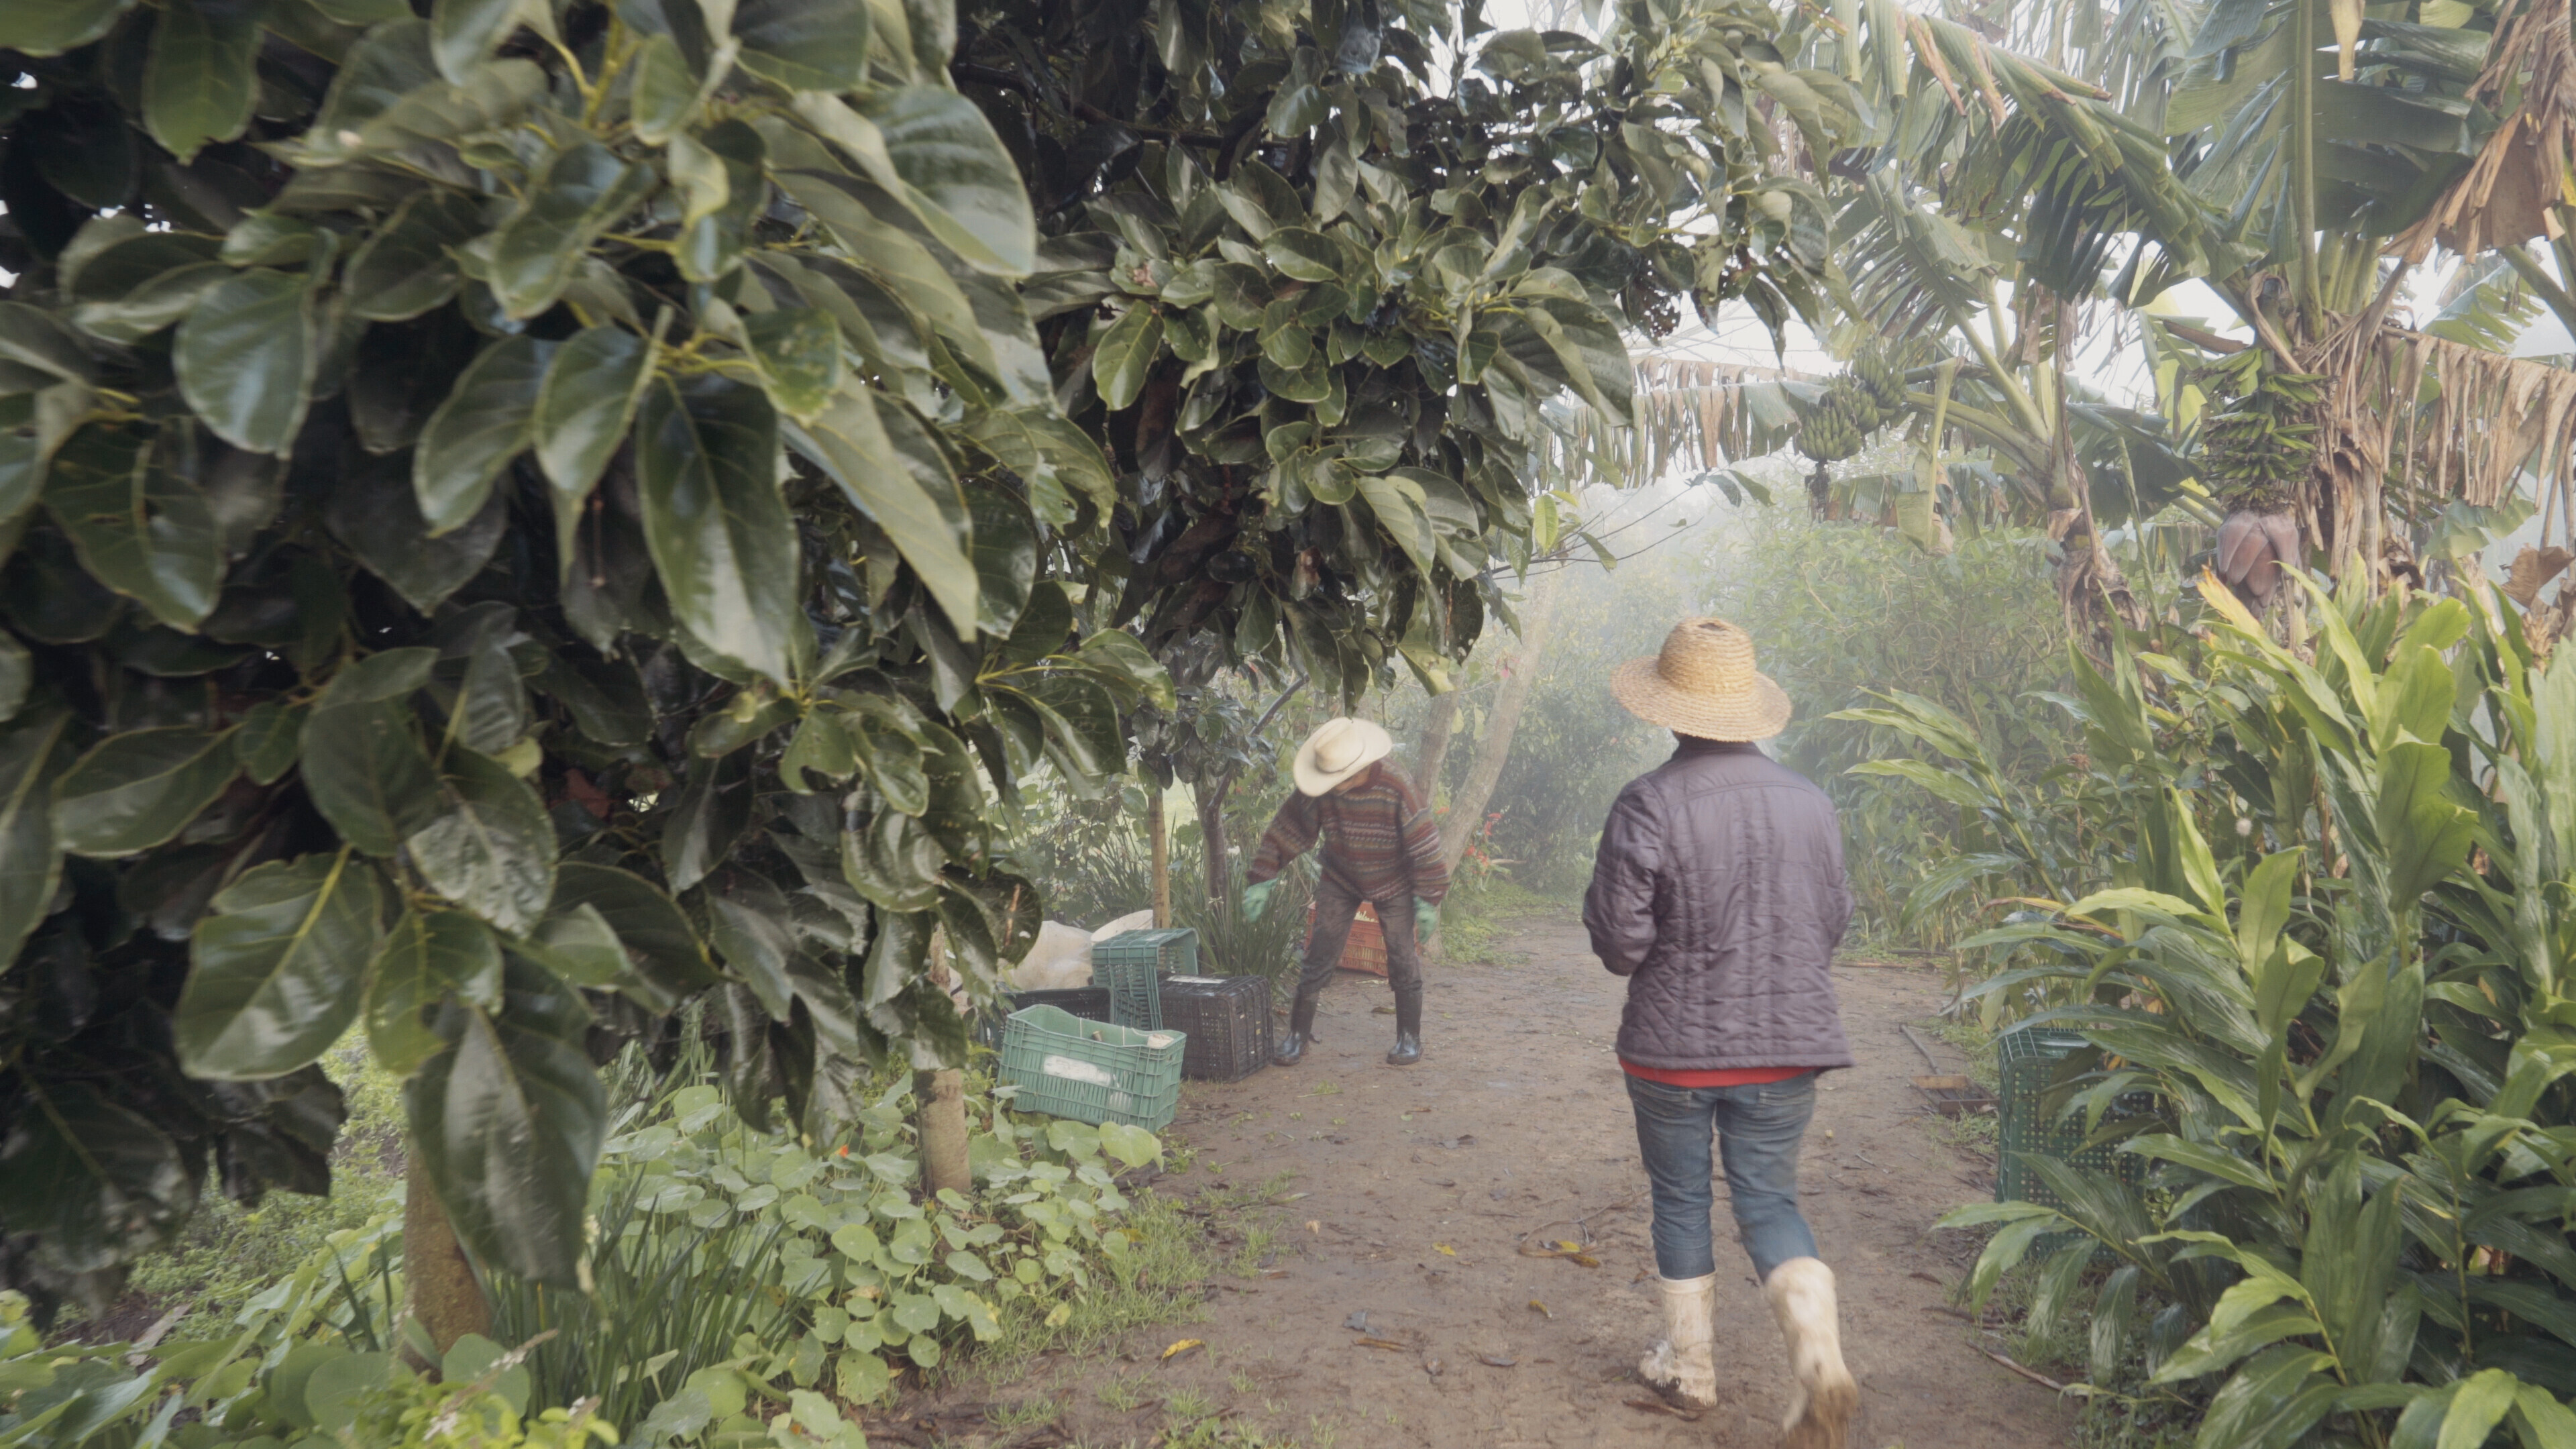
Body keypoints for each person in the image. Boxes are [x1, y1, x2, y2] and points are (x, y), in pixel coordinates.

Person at [1582, 618, 1858, 1449]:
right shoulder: (1812, 802)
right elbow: (1832, 920)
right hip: (1788, 1048)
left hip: (1673, 1054)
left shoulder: (1648, 801)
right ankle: (1817, 1355)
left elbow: (1620, 944)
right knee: (1769, 1200)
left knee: (1680, 1198)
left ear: (1670, 711)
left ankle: (1689, 1370)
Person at [1242, 718, 1447, 1067]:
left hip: (1394, 880)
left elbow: (1424, 841)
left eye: (1343, 779)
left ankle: (1409, 1038)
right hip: (1341, 875)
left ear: (1362, 766)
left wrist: (1429, 898)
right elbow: (1288, 827)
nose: (1335, 787)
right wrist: (1263, 876)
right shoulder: (1323, 784)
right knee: (1320, 950)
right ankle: (1297, 1037)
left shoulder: (1397, 785)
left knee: (1402, 956)